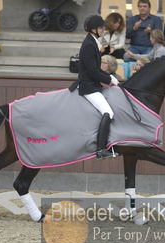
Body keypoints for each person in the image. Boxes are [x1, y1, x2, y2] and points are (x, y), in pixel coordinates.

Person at [69, 15, 119, 159]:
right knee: (108, 112)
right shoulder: (89, 45)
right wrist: (110, 79)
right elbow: (93, 71)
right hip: (88, 87)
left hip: (93, 84)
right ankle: (101, 149)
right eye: (101, 27)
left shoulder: (93, 42)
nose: (103, 29)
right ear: (93, 29)